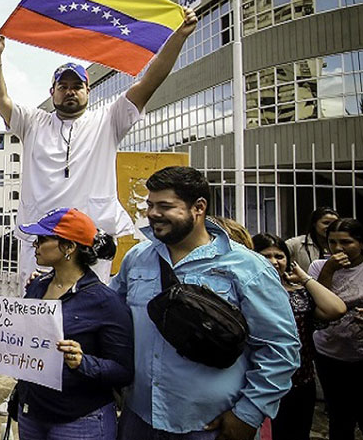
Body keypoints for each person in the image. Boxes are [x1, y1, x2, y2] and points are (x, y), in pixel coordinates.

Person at [0, 9, 199, 285]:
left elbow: (150, 81)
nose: (70, 91)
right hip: (39, 237)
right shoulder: (32, 121)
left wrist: (178, 37)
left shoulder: (108, 120)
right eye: (63, 86)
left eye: (77, 85)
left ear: (88, 90)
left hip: (90, 237)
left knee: (87, 310)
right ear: (52, 92)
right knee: (38, 310)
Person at [111, 166, 299, 440]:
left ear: (198, 207)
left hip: (211, 426)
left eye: (165, 206)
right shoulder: (137, 258)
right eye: (150, 205)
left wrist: (248, 413)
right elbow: (110, 313)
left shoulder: (247, 267)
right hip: (139, 419)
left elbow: (281, 348)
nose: (152, 214)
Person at [16, 208, 132, 440]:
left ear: (69, 247)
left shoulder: (105, 302)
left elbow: (124, 371)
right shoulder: (37, 286)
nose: (35, 245)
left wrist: (83, 362)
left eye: (43, 239)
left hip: (80, 421)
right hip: (31, 413)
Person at [251, 233, 346, 440]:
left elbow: (336, 308)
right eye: (266, 256)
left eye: (280, 256)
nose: (274, 262)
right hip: (263, 383)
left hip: (301, 381)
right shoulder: (248, 292)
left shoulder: (300, 293)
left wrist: (304, 278)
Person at [309, 218, 363, 440]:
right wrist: (329, 269)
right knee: (339, 417)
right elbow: (318, 303)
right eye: (332, 242)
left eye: (346, 242)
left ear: (362, 244)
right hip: (331, 355)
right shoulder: (318, 267)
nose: (338, 248)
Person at [286, 207, 339, 277]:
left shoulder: (342, 245)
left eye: (334, 224)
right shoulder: (295, 244)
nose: (330, 227)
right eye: (326, 223)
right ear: (314, 224)